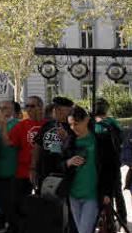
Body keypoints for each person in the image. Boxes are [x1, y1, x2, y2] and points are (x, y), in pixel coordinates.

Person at [61, 105, 119, 233]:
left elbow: (111, 167)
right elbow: (59, 165)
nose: (73, 128)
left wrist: (108, 192)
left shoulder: (101, 140)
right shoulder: (70, 141)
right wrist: (68, 162)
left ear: (86, 120)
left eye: (76, 123)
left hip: (92, 195)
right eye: (70, 124)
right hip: (73, 194)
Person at [0, 96, 46, 233]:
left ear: (40, 107)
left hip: (43, 172)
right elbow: (8, 143)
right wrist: (3, 127)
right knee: (16, 204)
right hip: (22, 171)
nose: (29, 109)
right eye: (27, 106)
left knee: (42, 204)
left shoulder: (48, 124)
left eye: (32, 106)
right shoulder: (21, 125)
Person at [94, 98, 126, 224]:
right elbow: (121, 140)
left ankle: (114, 219)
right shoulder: (113, 122)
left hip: (104, 163)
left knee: (112, 191)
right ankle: (117, 219)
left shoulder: (95, 122)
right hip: (111, 162)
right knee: (115, 191)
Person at [33, 96, 73, 192]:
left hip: (63, 174)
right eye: (56, 108)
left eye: (60, 109)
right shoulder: (48, 125)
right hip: (44, 173)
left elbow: (74, 150)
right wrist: (33, 168)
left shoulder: (73, 127)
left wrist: (65, 139)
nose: (57, 111)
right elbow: (38, 146)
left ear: (69, 110)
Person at [0, 100, 20, 231]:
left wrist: (3, 126)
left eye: (6, 108)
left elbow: (7, 143)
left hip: (11, 166)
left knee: (9, 199)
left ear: (13, 110)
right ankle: (1, 220)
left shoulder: (17, 124)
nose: (3, 110)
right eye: (1, 108)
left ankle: (12, 224)